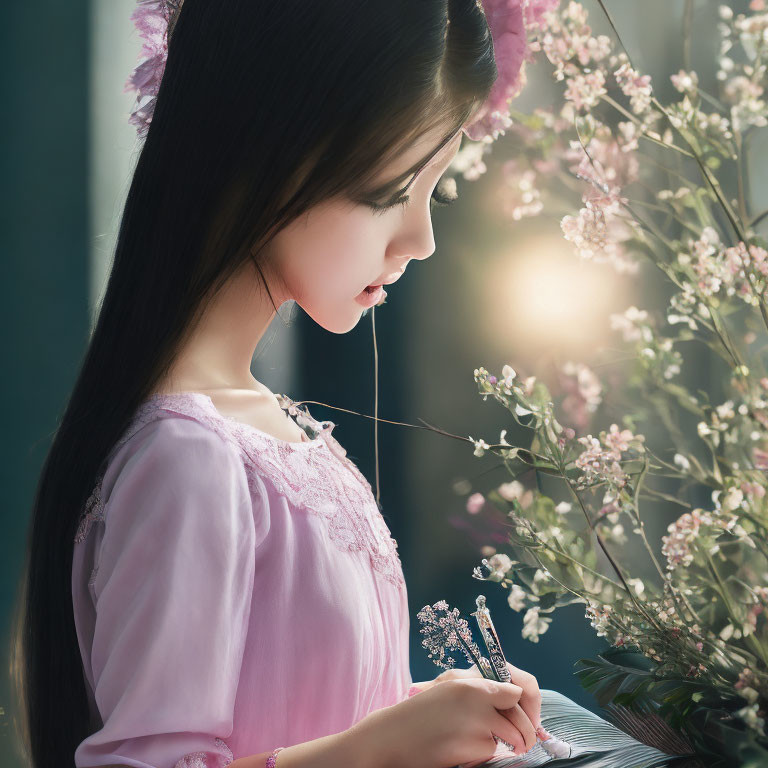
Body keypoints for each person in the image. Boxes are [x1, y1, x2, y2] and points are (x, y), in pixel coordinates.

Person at [11, 1, 552, 767]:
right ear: (270, 153)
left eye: (434, 189)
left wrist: (427, 716)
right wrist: (382, 748)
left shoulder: (275, 429)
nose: (422, 239)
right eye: (392, 190)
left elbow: (301, 710)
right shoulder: (186, 457)